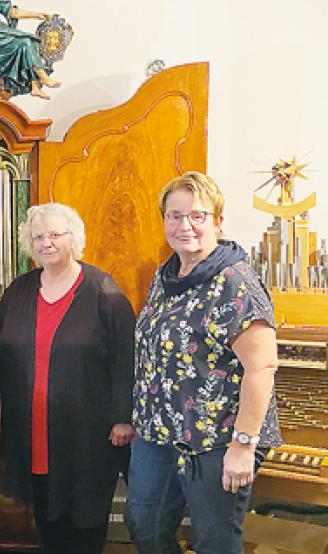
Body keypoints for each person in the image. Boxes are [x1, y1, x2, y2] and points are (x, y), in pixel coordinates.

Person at [125, 172, 281, 554]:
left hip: (218, 437)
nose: (185, 226)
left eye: (197, 216)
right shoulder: (166, 276)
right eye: (175, 216)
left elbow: (262, 367)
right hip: (159, 431)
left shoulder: (235, 282)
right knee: (144, 525)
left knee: (214, 541)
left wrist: (243, 445)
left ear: (218, 221)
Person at [0, 203, 135, 554]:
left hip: (87, 433)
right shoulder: (18, 291)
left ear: (74, 238)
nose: (46, 242)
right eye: (38, 236)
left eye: (54, 234)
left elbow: (126, 358)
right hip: (31, 428)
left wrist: (123, 417)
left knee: (84, 519)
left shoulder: (104, 292)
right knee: (45, 513)